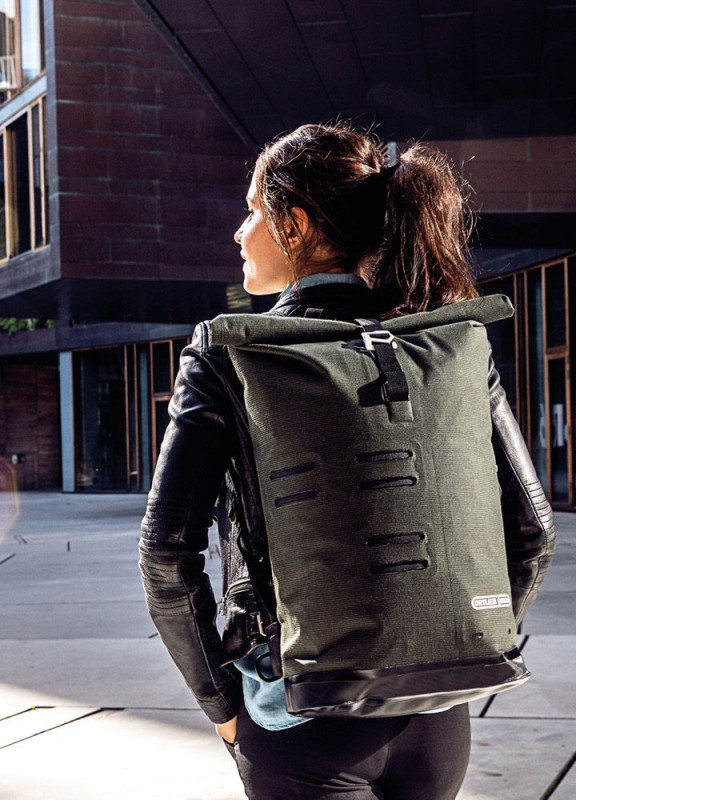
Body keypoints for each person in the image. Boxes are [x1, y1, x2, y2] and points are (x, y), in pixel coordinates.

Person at [138, 122, 556, 800]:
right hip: (437, 718)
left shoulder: (231, 353)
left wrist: (221, 707)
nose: (239, 232)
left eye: (253, 210)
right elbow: (534, 529)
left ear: (296, 223)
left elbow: (165, 554)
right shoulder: (449, 342)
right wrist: (465, 637)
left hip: (299, 717)